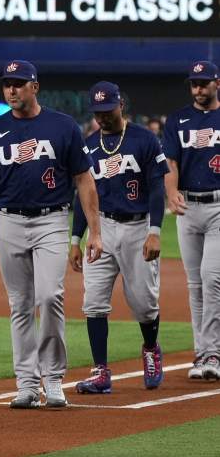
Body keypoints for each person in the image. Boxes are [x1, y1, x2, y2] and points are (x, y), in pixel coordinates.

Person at [0, 60, 102, 409]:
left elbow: (84, 180)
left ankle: (54, 377)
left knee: (49, 296)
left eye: (18, 83)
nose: (11, 89)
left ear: (35, 87)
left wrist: (94, 232)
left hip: (52, 220)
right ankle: (27, 383)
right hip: (8, 220)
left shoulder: (62, 126)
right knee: (19, 305)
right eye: (7, 84)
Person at [69, 82, 169, 394]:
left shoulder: (144, 138)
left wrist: (154, 232)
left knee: (143, 303)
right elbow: (84, 196)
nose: (103, 118)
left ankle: (151, 348)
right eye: (98, 113)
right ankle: (100, 372)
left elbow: (155, 187)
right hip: (102, 231)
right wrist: (75, 238)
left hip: (138, 227)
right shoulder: (88, 145)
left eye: (108, 110)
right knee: (94, 301)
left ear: (120, 105)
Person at [163, 61, 220, 380]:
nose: (198, 88)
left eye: (204, 83)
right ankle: (203, 353)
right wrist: (171, 192)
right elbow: (170, 160)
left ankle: (213, 351)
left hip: (218, 205)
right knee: (195, 284)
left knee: (212, 278)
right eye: (194, 83)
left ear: (217, 83)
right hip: (187, 207)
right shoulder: (178, 120)